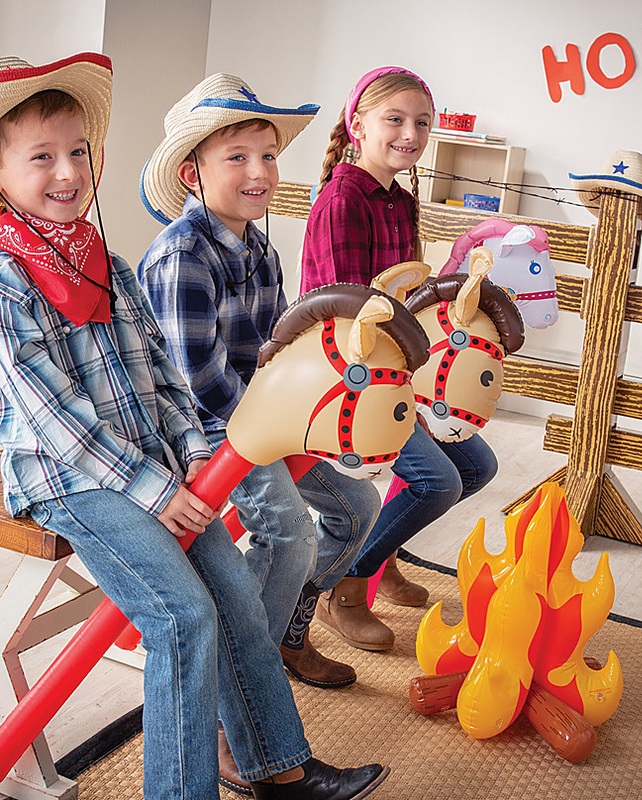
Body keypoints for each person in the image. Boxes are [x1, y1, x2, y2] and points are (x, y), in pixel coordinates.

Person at [0, 53, 387, 800]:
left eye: (77, 152)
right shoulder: (7, 278)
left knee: (236, 597)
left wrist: (192, 453)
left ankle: (281, 768)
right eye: (40, 156)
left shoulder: (107, 265)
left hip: (149, 464)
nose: (67, 172)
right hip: (65, 477)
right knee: (180, 618)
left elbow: (169, 380)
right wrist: (154, 487)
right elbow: (53, 416)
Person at [137, 74, 383, 791]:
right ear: (194, 173)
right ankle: (229, 711)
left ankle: (264, 632)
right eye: (237, 157)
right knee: (292, 534)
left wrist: (314, 416)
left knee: (359, 506)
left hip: (266, 418)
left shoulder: (262, 252)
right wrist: (286, 426)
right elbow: (200, 385)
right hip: (211, 434)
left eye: (268, 157)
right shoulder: (186, 253)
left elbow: (280, 350)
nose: (258, 173)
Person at [301, 66, 499, 651]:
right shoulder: (343, 200)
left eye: (422, 123)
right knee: (437, 481)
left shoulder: (398, 199)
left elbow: (404, 294)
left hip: (393, 364)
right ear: (356, 125)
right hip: (350, 374)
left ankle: (379, 555)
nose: (410, 133)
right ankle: (346, 587)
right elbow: (349, 308)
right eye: (395, 119)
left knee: (476, 466)